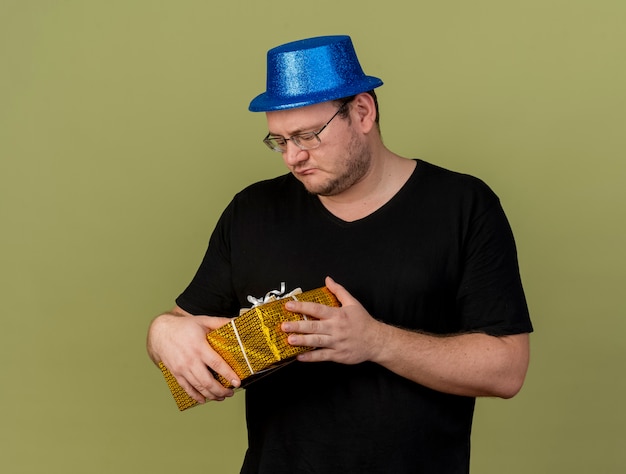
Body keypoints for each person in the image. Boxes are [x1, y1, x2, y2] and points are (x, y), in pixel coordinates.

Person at [147, 35, 533, 473]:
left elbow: (507, 370)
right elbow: (182, 323)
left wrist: (375, 341)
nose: (294, 157)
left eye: (308, 135)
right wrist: (162, 333)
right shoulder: (252, 211)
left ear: (363, 112)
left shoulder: (463, 205)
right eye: (279, 141)